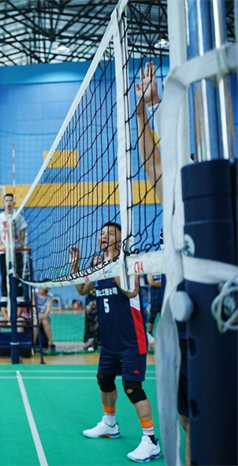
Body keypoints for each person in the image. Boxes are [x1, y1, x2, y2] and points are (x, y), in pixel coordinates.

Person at [70, 222, 161, 462]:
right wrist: (76, 266)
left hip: (132, 340)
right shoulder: (97, 265)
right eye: (102, 234)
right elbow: (82, 289)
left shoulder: (128, 262)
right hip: (109, 342)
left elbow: (131, 292)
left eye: (110, 234)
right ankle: (110, 424)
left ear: (120, 240)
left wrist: (113, 263)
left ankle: (151, 441)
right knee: (104, 379)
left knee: (132, 387)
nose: (103, 237)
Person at [135, 61, 189, 466]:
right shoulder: (175, 192)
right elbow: (153, 163)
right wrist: (144, 109)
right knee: (188, 413)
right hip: (183, 307)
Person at [0, 193, 28, 302]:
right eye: (6, 200)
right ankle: (4, 295)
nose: (8, 203)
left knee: (18, 273)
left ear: (14, 203)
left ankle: (19, 295)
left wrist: (21, 243)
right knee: (4, 273)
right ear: (3, 203)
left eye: (10, 200)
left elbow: (23, 230)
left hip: (16, 250)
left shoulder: (19, 216)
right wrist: (1, 244)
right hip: (4, 252)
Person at [33, 287, 55, 352]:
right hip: (35, 315)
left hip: (45, 316)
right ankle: (33, 343)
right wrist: (38, 315)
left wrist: (44, 316)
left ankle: (51, 343)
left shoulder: (50, 296)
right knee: (36, 322)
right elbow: (33, 306)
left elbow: (48, 309)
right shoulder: (34, 293)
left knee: (45, 322)